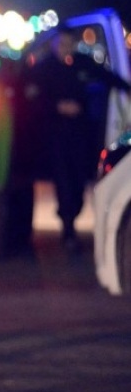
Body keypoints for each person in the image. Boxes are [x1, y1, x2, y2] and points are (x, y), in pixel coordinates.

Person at [20, 23, 130, 253]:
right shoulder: (43, 69)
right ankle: (68, 228)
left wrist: (127, 87)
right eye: (62, 43)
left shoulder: (82, 62)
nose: (66, 47)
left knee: (80, 178)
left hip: (80, 132)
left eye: (70, 43)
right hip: (55, 133)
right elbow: (30, 99)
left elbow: (108, 77)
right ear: (54, 44)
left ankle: (73, 213)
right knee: (63, 179)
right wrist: (57, 107)